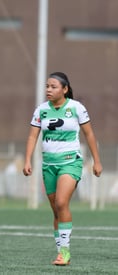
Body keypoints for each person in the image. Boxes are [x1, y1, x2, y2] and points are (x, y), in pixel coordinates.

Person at [23, 72, 102, 266]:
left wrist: (96, 161)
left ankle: (65, 252)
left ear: (65, 89)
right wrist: (27, 160)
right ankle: (61, 252)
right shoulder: (41, 110)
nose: (48, 90)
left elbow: (89, 134)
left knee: (61, 202)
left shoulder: (76, 108)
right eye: (47, 86)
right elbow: (33, 136)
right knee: (56, 212)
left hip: (70, 162)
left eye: (53, 87)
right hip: (48, 165)